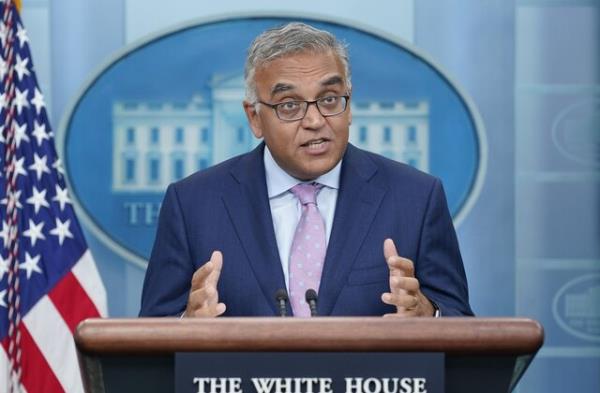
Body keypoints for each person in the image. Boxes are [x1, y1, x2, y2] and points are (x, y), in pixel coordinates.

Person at [139, 22, 473, 318]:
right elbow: (149, 344)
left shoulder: (416, 198)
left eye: (329, 99)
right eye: (289, 106)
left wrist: (428, 315)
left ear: (349, 103)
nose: (315, 121)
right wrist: (187, 326)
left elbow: (465, 335)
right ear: (254, 118)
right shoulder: (193, 204)